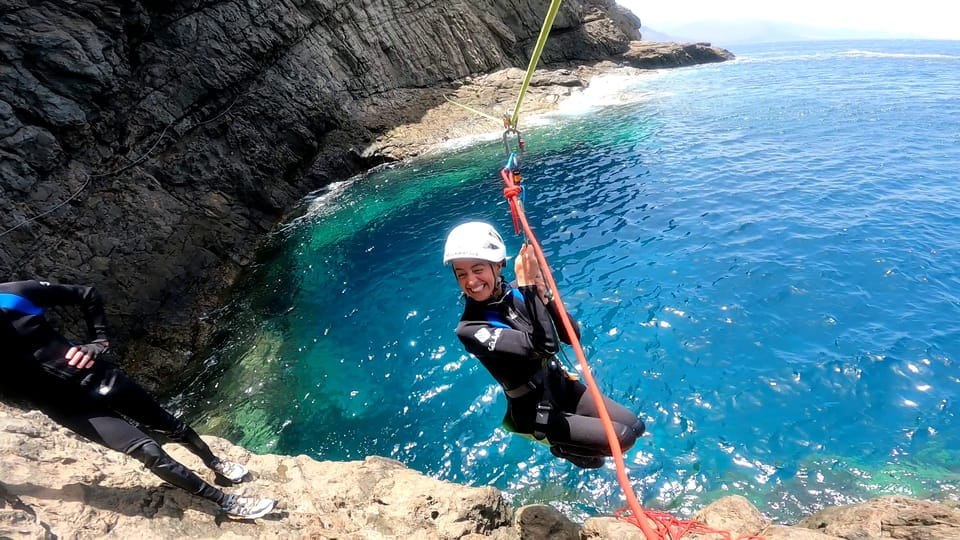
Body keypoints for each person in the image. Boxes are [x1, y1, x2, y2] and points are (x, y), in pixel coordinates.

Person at [0, 279, 277, 519]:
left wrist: (98, 342)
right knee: (149, 452)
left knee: (171, 426)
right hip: (71, 408)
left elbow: (87, 294)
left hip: (103, 378)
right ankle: (225, 502)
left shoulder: (15, 294)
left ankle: (213, 461)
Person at [443, 222, 645, 469]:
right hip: (536, 410)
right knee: (621, 438)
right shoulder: (471, 328)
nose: (471, 282)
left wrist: (544, 298)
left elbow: (571, 337)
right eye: (461, 274)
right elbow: (544, 347)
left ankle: (573, 441)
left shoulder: (518, 292)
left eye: (477, 269)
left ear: (498, 265)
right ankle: (562, 447)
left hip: (559, 385)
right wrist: (529, 290)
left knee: (635, 426)